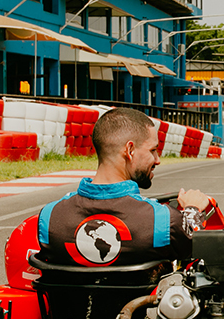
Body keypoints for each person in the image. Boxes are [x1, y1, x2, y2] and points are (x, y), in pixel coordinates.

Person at [37, 107, 211, 268]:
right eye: (153, 150)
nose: (157, 160)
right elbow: (195, 247)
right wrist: (192, 210)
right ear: (130, 150)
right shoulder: (162, 221)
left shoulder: (49, 216)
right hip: (143, 302)